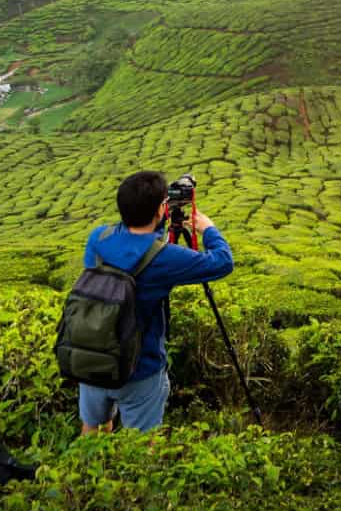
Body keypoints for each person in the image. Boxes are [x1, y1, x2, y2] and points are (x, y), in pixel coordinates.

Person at [76, 170, 234, 434]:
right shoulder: (166, 259)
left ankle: (85, 472)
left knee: (91, 428)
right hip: (140, 371)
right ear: (161, 209)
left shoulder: (98, 238)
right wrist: (208, 229)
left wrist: (157, 213)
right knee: (141, 449)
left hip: (92, 357)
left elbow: (134, 239)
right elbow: (222, 262)